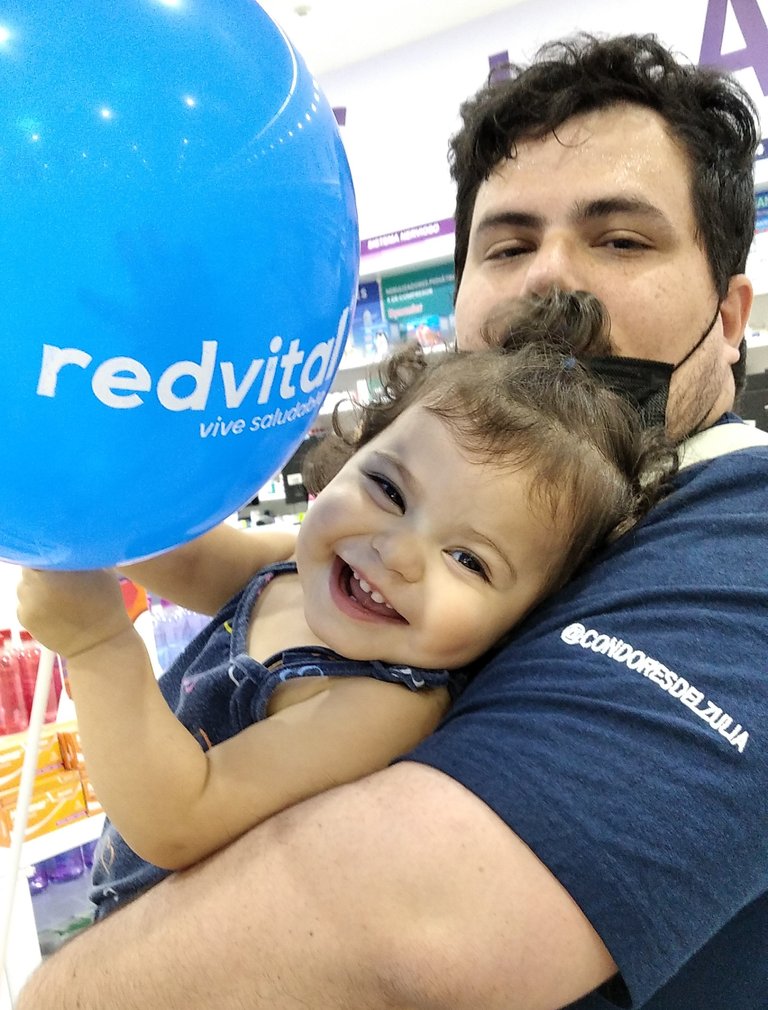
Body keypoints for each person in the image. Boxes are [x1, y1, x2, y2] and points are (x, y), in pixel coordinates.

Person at [16, 31, 768, 1010]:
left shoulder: (735, 530)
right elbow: (199, 553)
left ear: (729, 312)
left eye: (621, 237)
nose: (550, 278)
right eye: (505, 243)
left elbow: (410, 931)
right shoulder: (361, 545)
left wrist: (96, 643)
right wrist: (88, 448)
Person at [18, 299, 671, 921]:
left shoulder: (384, 703)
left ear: (522, 621)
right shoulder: (305, 564)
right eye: (387, 488)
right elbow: (186, 559)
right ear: (346, 458)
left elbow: (181, 818)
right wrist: (88, 510)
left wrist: (98, 645)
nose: (398, 553)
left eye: (469, 560)